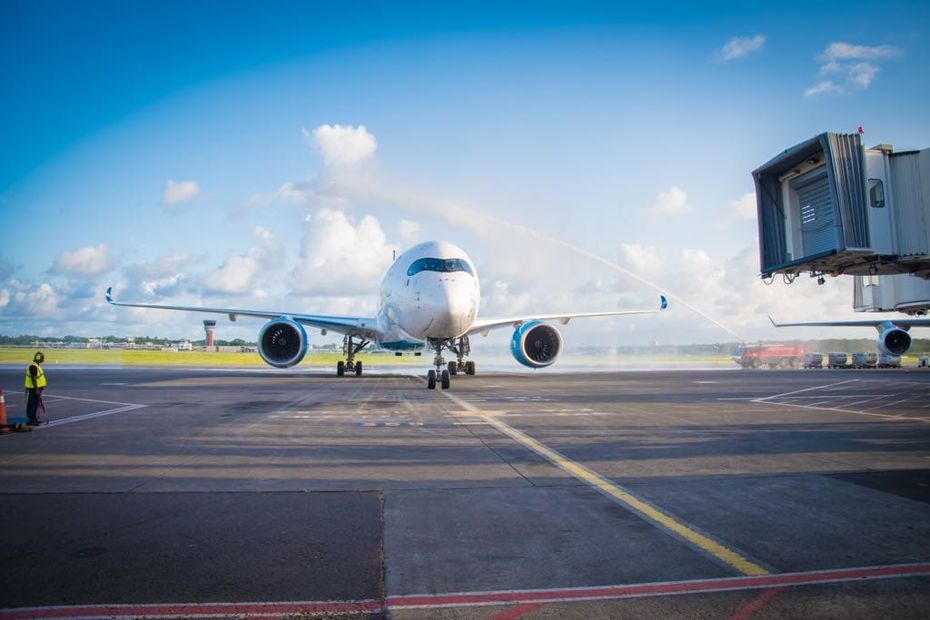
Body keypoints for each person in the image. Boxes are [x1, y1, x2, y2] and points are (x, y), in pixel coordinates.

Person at [25, 351, 47, 426]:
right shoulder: (33, 366)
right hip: (34, 389)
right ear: (38, 358)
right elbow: (33, 379)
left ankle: (34, 420)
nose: (43, 359)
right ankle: (31, 421)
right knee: (32, 404)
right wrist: (37, 389)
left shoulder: (37, 366)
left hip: (37, 389)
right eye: (42, 358)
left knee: (35, 405)